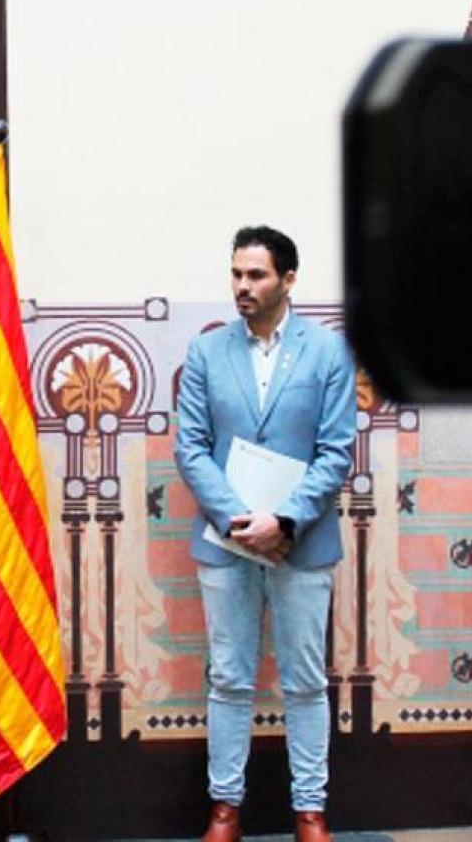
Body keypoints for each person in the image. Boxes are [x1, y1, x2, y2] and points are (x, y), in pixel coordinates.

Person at [175, 226, 357, 842]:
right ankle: (225, 810)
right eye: (236, 274)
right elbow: (191, 448)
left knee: (305, 681)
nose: (242, 287)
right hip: (225, 543)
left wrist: (282, 521)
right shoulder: (207, 353)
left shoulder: (327, 352)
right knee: (229, 677)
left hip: (302, 542)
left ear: (288, 279)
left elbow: (335, 453)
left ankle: (311, 811)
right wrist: (237, 518)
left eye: (255, 275)